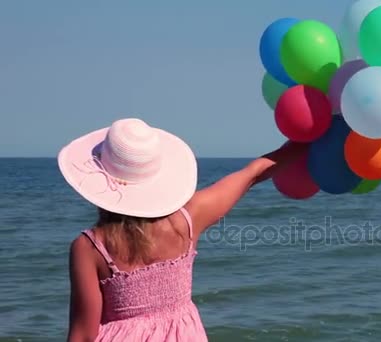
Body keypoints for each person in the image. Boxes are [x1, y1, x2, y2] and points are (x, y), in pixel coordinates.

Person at [59, 118, 308, 342]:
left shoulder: (90, 247)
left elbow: (83, 334)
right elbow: (252, 174)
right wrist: (307, 142)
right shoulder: (188, 219)